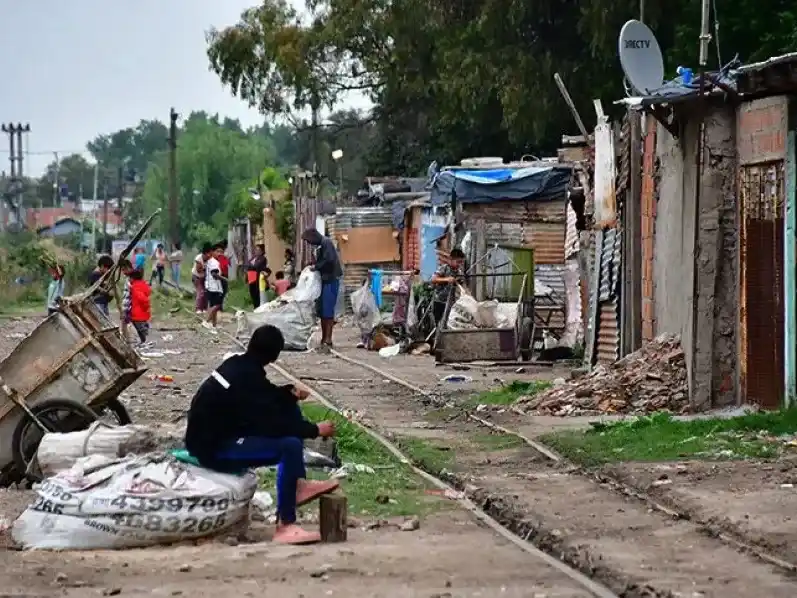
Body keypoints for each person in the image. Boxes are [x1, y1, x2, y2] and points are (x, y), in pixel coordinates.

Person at [184, 324, 338, 545]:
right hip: (214, 447)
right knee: (290, 446)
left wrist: (289, 392)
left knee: (288, 411)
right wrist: (314, 430)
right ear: (274, 356)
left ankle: (298, 485)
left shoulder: (239, 365)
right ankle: (286, 524)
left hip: (218, 434)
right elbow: (270, 424)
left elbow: (265, 396)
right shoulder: (247, 377)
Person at [302, 228, 342, 350]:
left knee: (328, 310)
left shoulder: (326, 243)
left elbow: (329, 260)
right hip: (325, 280)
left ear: (314, 236)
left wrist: (316, 267)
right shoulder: (321, 245)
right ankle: (324, 338)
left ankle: (328, 339)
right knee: (323, 311)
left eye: (309, 241)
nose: (309, 244)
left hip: (331, 279)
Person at [431, 248, 466, 327]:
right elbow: (434, 279)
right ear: (451, 259)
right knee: (439, 324)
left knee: (450, 323)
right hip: (440, 301)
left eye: (461, 262)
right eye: (458, 262)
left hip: (452, 303)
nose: (459, 264)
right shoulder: (444, 268)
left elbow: (463, 285)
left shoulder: (459, 272)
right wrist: (447, 279)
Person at [202, 246, 225, 333]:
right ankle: (206, 321)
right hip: (215, 286)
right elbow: (214, 274)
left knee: (213, 305)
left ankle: (214, 325)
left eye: (221, 252)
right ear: (213, 252)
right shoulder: (214, 262)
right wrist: (224, 279)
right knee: (218, 305)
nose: (220, 254)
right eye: (218, 252)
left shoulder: (209, 261)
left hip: (209, 286)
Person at [128, 269, 152, 344]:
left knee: (140, 328)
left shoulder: (136, 287)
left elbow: (143, 299)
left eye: (130, 278)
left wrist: (145, 307)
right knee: (139, 327)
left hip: (138, 313)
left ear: (133, 278)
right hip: (142, 312)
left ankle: (145, 340)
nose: (129, 279)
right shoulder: (142, 285)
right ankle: (143, 341)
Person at [191, 244, 213, 314]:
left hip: (205, 278)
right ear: (205, 253)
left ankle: (204, 308)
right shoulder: (199, 258)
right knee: (201, 292)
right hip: (197, 277)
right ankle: (198, 308)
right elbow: (199, 270)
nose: (209, 255)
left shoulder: (210, 259)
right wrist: (205, 269)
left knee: (206, 293)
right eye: (208, 253)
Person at [247, 244, 268, 308]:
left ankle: (258, 307)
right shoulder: (253, 258)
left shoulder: (263, 258)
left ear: (262, 251)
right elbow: (247, 265)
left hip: (257, 278)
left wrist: (250, 266)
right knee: (252, 294)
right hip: (251, 277)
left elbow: (256, 266)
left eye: (258, 250)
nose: (256, 251)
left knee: (257, 294)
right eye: (256, 249)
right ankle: (255, 307)